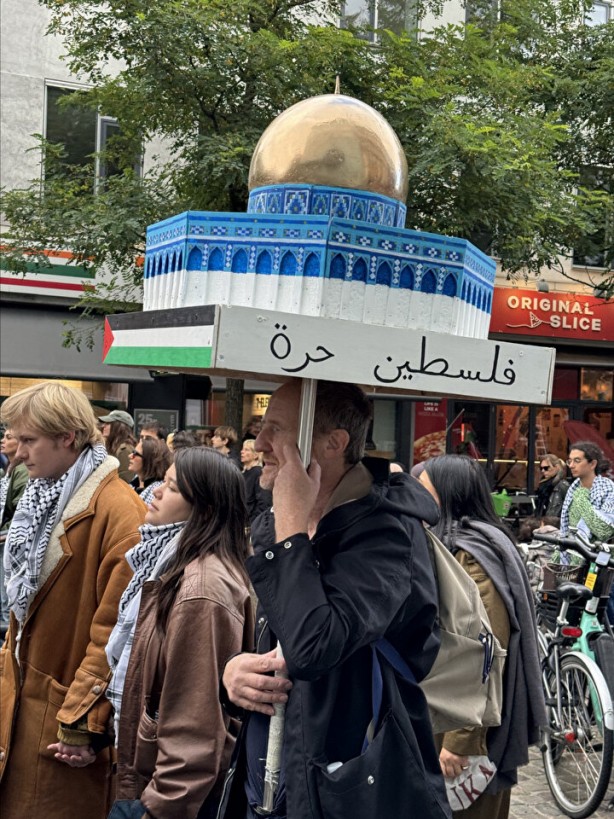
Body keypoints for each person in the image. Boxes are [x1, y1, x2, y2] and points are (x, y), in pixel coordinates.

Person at [218, 380, 450, 819]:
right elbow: (276, 640)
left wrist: (289, 533)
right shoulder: (280, 523)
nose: (259, 443)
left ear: (333, 442)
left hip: (344, 787)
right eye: (262, 429)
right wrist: (231, 676)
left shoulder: (385, 534)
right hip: (271, 777)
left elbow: (313, 647)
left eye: (277, 429)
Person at [0, 381, 146, 819]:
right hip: (27, 707)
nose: (18, 452)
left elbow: (116, 635)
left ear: (68, 437)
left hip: (61, 719)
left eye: (29, 440)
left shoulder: (121, 512)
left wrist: (83, 724)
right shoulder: (44, 493)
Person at [111, 447, 254, 819]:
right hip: (150, 779)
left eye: (172, 487)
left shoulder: (201, 587)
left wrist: (163, 806)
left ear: (203, 507)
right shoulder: (176, 564)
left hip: (161, 793)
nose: (157, 491)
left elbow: (197, 716)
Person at [419, 455, 546, 819]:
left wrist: (462, 742)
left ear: (448, 494)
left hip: (464, 732)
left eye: (424, 489)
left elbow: (485, 652)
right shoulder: (456, 543)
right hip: (452, 716)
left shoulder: (471, 554)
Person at [0, 428, 29, 636]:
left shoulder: (22, 471)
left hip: (8, 543)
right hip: (5, 539)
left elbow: (20, 514)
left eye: (9, 437)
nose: (3, 440)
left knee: (5, 601)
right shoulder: (9, 469)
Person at [560, 441, 614, 544]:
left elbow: (604, 531)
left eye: (577, 461)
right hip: (571, 553)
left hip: (598, 555)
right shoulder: (573, 489)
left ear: (592, 464)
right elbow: (566, 530)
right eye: (569, 461)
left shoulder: (608, 488)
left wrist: (581, 498)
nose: (571, 465)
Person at [127, 437, 173, 505]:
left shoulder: (157, 492)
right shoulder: (133, 484)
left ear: (149, 460)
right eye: (132, 452)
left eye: (135, 454)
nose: (130, 456)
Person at [240, 438, 272, 522]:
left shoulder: (259, 473)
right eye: (242, 449)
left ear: (256, 455)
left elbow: (264, 501)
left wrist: (254, 523)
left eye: (247, 450)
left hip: (250, 522)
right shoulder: (243, 473)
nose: (242, 452)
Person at [100, 409, 137, 483]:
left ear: (118, 427)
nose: (103, 426)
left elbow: (125, 480)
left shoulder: (125, 450)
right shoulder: (113, 447)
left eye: (108, 423)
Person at [535, 454, 569, 523]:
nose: (543, 471)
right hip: (543, 523)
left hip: (555, 525)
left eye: (546, 468)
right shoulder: (543, 485)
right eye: (541, 468)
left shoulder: (562, 485)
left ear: (556, 467)